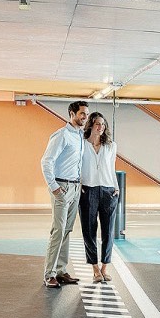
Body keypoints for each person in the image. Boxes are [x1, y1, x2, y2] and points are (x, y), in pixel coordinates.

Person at [41, 100, 89, 288]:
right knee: (58, 231)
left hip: (75, 188)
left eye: (86, 114)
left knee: (67, 230)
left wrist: (80, 184)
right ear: (72, 114)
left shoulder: (80, 136)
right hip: (61, 187)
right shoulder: (62, 135)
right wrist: (53, 186)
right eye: (82, 113)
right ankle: (49, 274)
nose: (85, 117)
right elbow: (46, 162)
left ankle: (61, 271)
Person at [79, 112, 120, 283]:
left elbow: (112, 167)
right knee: (89, 231)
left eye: (103, 124)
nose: (100, 127)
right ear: (90, 125)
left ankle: (105, 267)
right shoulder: (82, 144)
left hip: (108, 191)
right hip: (88, 190)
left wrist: (116, 187)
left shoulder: (111, 146)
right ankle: (95, 269)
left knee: (108, 232)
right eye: (97, 123)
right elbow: (77, 165)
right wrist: (80, 183)